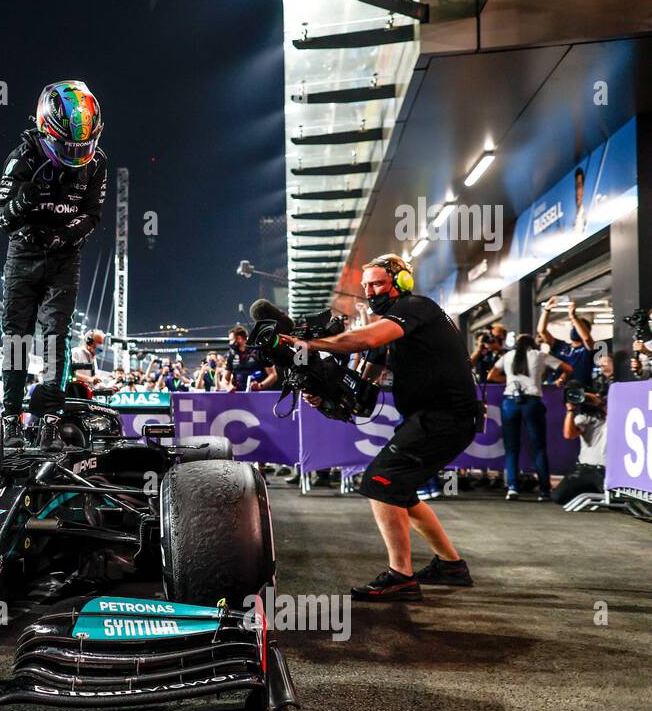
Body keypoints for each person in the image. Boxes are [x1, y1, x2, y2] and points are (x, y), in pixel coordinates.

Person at [293, 254, 479, 601]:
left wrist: (309, 344)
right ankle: (451, 566)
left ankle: (401, 576)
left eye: (376, 284)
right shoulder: (392, 331)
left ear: (402, 283)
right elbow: (361, 393)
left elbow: (362, 340)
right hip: (432, 418)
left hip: (446, 416)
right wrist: (321, 393)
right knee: (400, 493)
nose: (370, 291)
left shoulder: (416, 307)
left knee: (379, 481)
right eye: (365, 286)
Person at [0, 80, 107, 450]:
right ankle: (10, 419)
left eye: (82, 146)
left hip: (64, 255)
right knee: (16, 336)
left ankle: (50, 421)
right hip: (23, 255)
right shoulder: (21, 158)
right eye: (68, 145)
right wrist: (23, 202)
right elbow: (0, 219)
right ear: (46, 128)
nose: (76, 153)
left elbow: (92, 215)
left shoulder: (98, 163)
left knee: (56, 335)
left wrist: (63, 237)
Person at [488, 332, 572, 501]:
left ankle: (512, 488)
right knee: (539, 448)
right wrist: (560, 380)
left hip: (510, 402)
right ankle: (544, 491)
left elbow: (491, 376)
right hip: (532, 403)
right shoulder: (539, 355)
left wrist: (509, 382)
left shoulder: (508, 356)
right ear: (532, 344)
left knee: (512, 449)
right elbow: (568, 369)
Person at [552, 356, 611, 505]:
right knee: (558, 496)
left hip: (605, 470)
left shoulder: (615, 414)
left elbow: (613, 415)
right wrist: (571, 410)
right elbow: (569, 434)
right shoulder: (584, 416)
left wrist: (599, 403)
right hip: (584, 468)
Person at [537, 296, 594, 387]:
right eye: (573, 326)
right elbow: (542, 331)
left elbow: (587, 338)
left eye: (576, 327)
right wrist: (546, 310)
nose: (574, 328)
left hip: (582, 391)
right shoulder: (562, 346)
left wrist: (574, 317)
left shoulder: (587, 349)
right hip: (560, 391)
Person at [225, 325, 276, 392]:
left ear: (239, 338)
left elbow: (273, 375)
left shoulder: (259, 352)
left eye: (231, 340)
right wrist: (228, 386)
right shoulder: (232, 355)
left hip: (258, 395)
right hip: (238, 395)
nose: (230, 343)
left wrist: (260, 385)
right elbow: (225, 379)